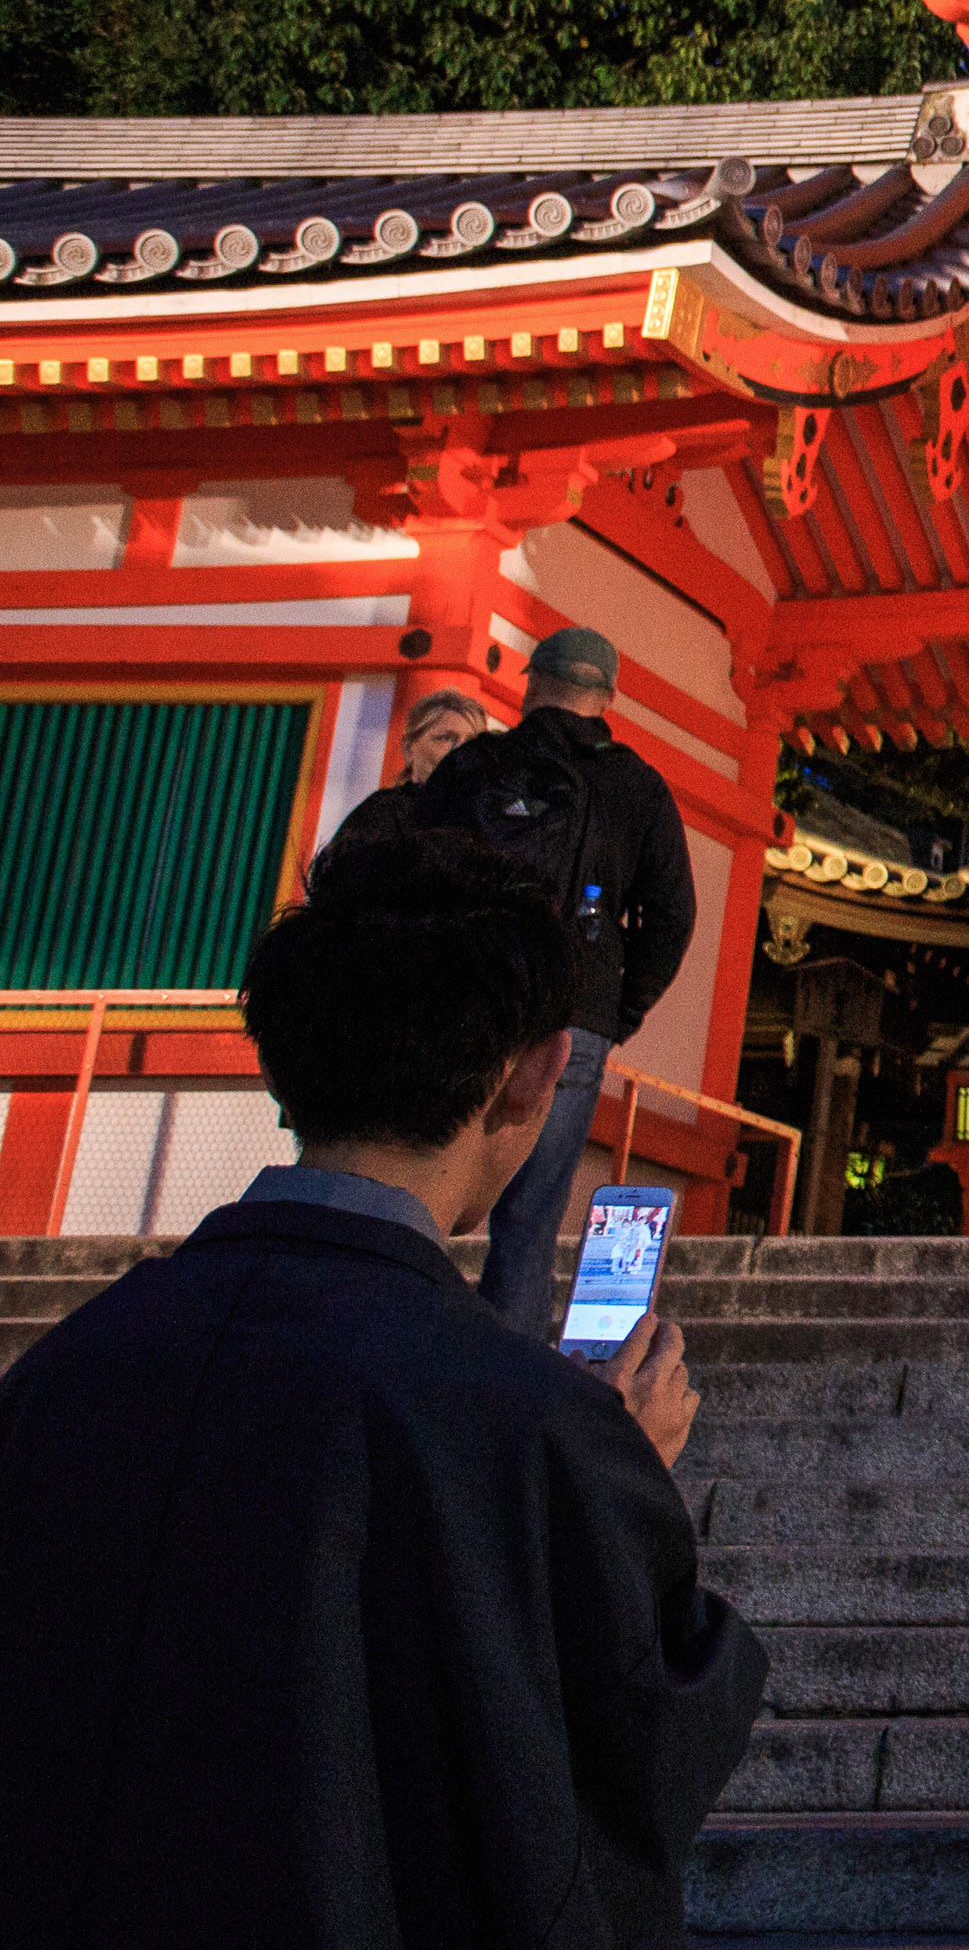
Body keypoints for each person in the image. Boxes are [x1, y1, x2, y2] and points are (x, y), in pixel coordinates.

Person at [0, 816, 765, 1946]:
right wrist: (622, 1480)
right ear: (531, 1077)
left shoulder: (68, 1369)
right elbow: (635, 1744)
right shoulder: (536, 1423)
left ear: (281, 1056)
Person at [413, 623, 699, 1338]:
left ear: (533, 683)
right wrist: (614, 1011)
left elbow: (409, 868)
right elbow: (673, 915)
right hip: (574, 1013)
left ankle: (394, 1344)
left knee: (418, 1182)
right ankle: (508, 1394)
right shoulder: (638, 787)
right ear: (606, 699)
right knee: (530, 1218)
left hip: (464, 997)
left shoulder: (476, 766)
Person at [323, 685, 494, 864]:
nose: (459, 749)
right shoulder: (381, 813)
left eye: (471, 742)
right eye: (445, 738)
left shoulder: (492, 819)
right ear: (409, 748)